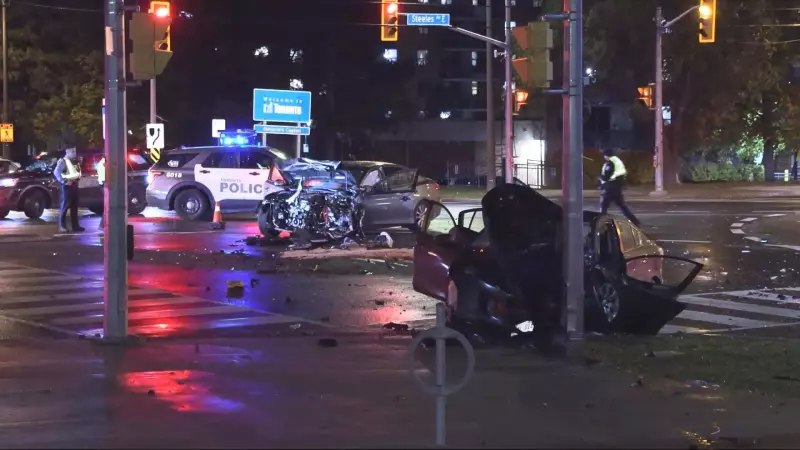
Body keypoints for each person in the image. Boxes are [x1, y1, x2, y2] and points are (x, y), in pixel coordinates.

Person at [598, 148, 640, 226]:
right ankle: (635, 221)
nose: (604, 157)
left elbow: (607, 176)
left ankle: (600, 222)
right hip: (616, 187)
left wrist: (601, 178)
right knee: (621, 206)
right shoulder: (617, 161)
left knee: (604, 205)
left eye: (604, 155)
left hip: (611, 188)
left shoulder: (610, 163)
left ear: (606, 155)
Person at [53, 147, 85, 233]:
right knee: (65, 207)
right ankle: (62, 226)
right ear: (67, 152)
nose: (75, 153)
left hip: (75, 185)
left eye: (75, 151)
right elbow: (56, 172)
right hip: (67, 187)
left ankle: (75, 226)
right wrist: (64, 181)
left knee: (74, 207)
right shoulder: (63, 161)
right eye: (73, 151)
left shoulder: (74, 161)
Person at [96, 156, 105, 230]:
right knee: (109, 207)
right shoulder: (104, 163)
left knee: (109, 207)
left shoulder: (101, 162)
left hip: (104, 185)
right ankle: (102, 225)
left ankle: (102, 225)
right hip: (106, 185)